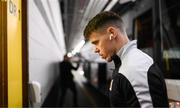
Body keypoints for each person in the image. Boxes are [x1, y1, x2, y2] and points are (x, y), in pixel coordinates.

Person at [83, 11, 169, 107]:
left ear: (112, 33)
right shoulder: (125, 65)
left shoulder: (134, 69)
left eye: (96, 42)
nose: (95, 50)